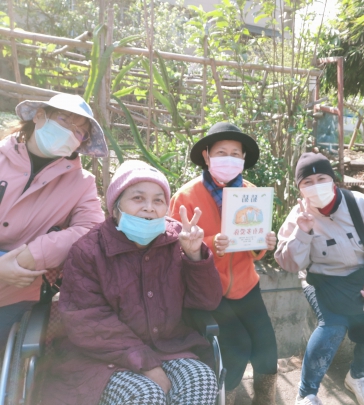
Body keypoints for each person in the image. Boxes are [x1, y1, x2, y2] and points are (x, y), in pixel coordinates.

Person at [39, 160, 223, 405]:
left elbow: (208, 302)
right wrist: (146, 364)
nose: (149, 207)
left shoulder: (178, 240)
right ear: (115, 208)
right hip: (101, 357)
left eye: (158, 200)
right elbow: (89, 320)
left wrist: (194, 256)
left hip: (168, 347)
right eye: (138, 198)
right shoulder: (88, 251)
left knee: (201, 380)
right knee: (145, 394)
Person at [274, 152, 364, 405]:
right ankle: (307, 393)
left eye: (321, 179)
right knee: (332, 328)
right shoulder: (298, 215)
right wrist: (302, 232)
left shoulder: (362, 205)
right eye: (307, 182)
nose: (316, 186)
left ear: (333, 180)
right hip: (322, 281)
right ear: (299, 188)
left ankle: (358, 376)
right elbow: (289, 263)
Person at [169, 122, 278, 405]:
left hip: (246, 285)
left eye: (235, 153)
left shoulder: (252, 193)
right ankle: (224, 398)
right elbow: (173, 247)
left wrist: (263, 243)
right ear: (206, 156)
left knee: (267, 347)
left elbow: (254, 250)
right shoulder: (186, 196)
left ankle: (265, 400)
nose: (229, 158)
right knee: (236, 349)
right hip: (208, 290)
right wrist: (209, 243)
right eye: (221, 152)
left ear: (243, 158)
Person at [0, 93, 106, 349]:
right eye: (64, 120)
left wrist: (34, 255)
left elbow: (91, 230)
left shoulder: (81, 184)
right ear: (39, 116)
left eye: (79, 131)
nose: (70, 132)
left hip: (17, 293)